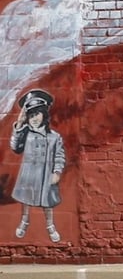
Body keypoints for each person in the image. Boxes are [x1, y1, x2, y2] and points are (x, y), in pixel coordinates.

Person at [9, 89, 65, 243]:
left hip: (46, 175)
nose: (34, 118)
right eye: (31, 115)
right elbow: (15, 147)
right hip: (29, 175)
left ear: (44, 115)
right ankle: (24, 221)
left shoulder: (54, 137)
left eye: (37, 114)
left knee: (48, 202)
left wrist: (57, 172)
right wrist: (19, 125)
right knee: (26, 200)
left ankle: (50, 225)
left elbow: (59, 156)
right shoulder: (25, 133)